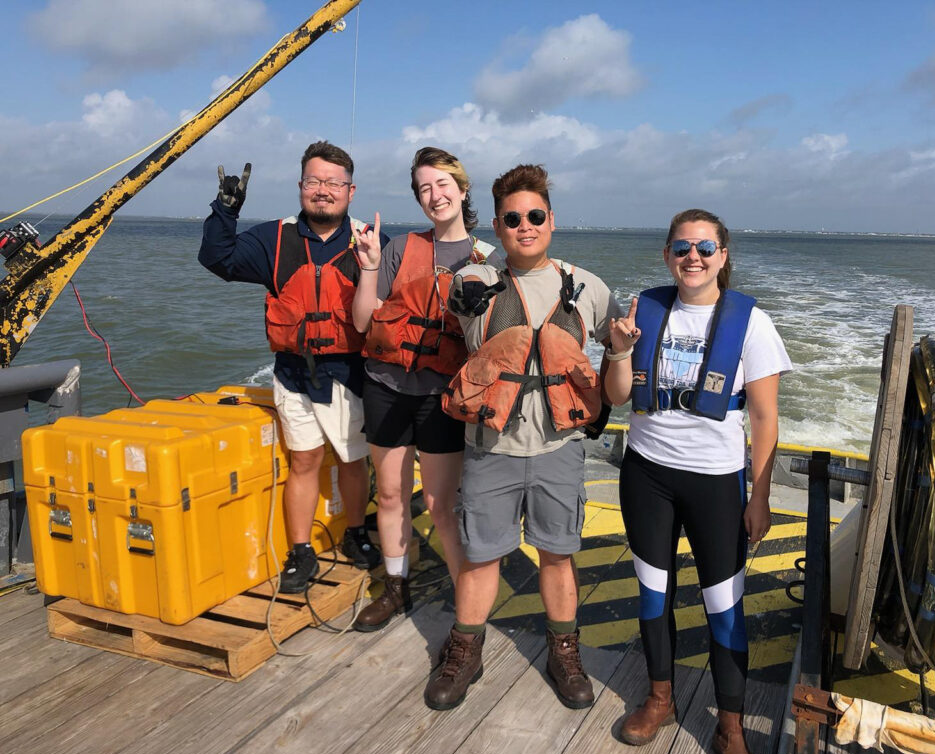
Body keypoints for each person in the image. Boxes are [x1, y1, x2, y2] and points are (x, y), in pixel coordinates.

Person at [423, 164, 623, 712]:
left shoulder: (589, 289)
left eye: (535, 216)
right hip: (492, 449)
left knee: (558, 555)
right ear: (497, 225)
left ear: (552, 221)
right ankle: (466, 647)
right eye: (512, 219)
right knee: (482, 557)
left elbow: (619, 344)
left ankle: (564, 648)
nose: (525, 226)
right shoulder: (473, 284)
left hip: (560, 447)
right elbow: (462, 319)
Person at [603, 209, 791, 754]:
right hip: (646, 474)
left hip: (716, 482)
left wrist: (759, 497)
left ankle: (729, 725)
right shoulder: (644, 310)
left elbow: (764, 418)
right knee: (653, 593)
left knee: (723, 604)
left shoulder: (751, 323)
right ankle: (660, 697)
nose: (693, 257)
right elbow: (615, 395)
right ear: (667, 255)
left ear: (723, 257)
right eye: (682, 247)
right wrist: (617, 348)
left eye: (705, 248)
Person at [198, 140, 384, 593]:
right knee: (303, 460)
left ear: (351, 190)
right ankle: (300, 551)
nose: (324, 191)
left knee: (353, 460)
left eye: (334, 183)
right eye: (315, 181)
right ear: (301, 186)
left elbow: (394, 302)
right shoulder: (273, 238)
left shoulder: (369, 241)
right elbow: (216, 259)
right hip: (292, 372)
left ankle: (356, 532)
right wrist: (225, 210)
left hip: (349, 374)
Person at [350, 147, 498, 632]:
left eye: (442, 184)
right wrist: (369, 263)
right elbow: (363, 321)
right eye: (424, 189)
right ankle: (395, 587)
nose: (434, 195)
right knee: (390, 495)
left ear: (462, 188)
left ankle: (467, 609)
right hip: (386, 384)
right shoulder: (399, 249)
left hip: (443, 397)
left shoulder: (489, 261)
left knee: (439, 504)